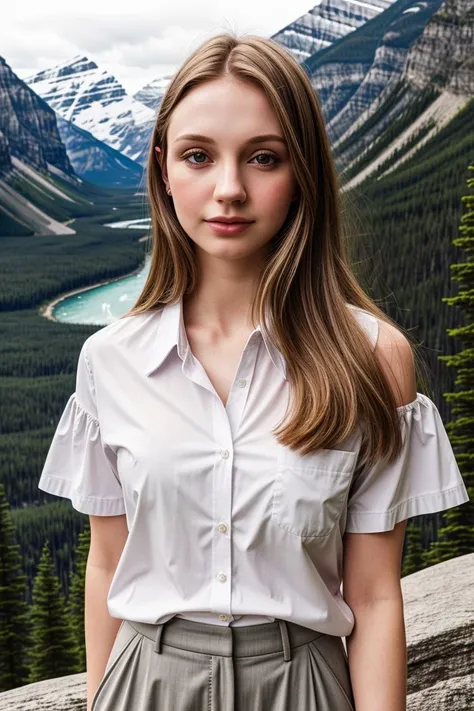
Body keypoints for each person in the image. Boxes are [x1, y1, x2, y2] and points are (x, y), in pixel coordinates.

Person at [37, 31, 470, 711]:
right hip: (144, 683)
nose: (229, 189)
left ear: (302, 173)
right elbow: (107, 565)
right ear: (162, 169)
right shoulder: (109, 361)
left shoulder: (374, 359)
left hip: (306, 685)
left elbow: (376, 595)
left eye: (264, 158)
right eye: (199, 156)